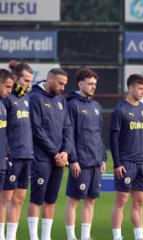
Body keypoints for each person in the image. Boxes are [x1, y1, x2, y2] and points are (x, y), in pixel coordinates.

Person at [27, 68, 73, 240]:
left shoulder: (61, 100)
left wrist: (66, 152)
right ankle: (34, 237)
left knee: (51, 199)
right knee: (37, 199)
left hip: (59, 159)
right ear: (50, 79)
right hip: (42, 158)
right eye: (60, 83)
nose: (62, 87)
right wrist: (55, 152)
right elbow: (36, 129)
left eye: (65, 84)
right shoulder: (35, 98)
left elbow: (68, 128)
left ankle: (46, 237)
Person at [64, 68, 107, 240]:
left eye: (94, 84)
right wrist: (73, 159)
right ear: (80, 83)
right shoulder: (72, 104)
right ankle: (71, 236)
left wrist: (102, 157)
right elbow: (69, 134)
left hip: (96, 161)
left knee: (91, 200)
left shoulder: (96, 106)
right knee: (74, 200)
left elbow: (98, 134)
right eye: (89, 83)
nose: (92, 87)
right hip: (80, 162)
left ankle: (85, 236)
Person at [110, 74, 143, 240]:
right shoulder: (120, 110)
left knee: (139, 201)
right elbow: (113, 139)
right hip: (126, 163)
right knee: (121, 201)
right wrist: (117, 163)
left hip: (142, 163)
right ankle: (117, 236)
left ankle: (139, 235)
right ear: (131, 87)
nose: (142, 92)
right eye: (140, 88)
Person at [0, 62, 33, 240]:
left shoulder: (27, 99)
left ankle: (11, 236)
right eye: (25, 80)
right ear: (15, 79)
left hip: (27, 154)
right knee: (4, 199)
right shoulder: (6, 99)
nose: (28, 84)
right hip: (11, 156)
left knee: (19, 198)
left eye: (30, 81)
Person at [0, 69, 15, 240]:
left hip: (2, 161)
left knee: (3, 201)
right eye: (7, 86)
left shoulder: (3, 105)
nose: (10, 91)